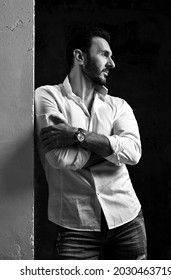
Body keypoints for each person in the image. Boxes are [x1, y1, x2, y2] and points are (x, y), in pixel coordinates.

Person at [35, 25, 147, 260]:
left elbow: (133, 153)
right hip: (75, 226)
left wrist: (78, 136)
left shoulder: (118, 106)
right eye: (105, 54)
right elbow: (58, 157)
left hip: (127, 218)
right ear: (79, 57)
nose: (112, 63)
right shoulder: (46, 96)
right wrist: (111, 151)